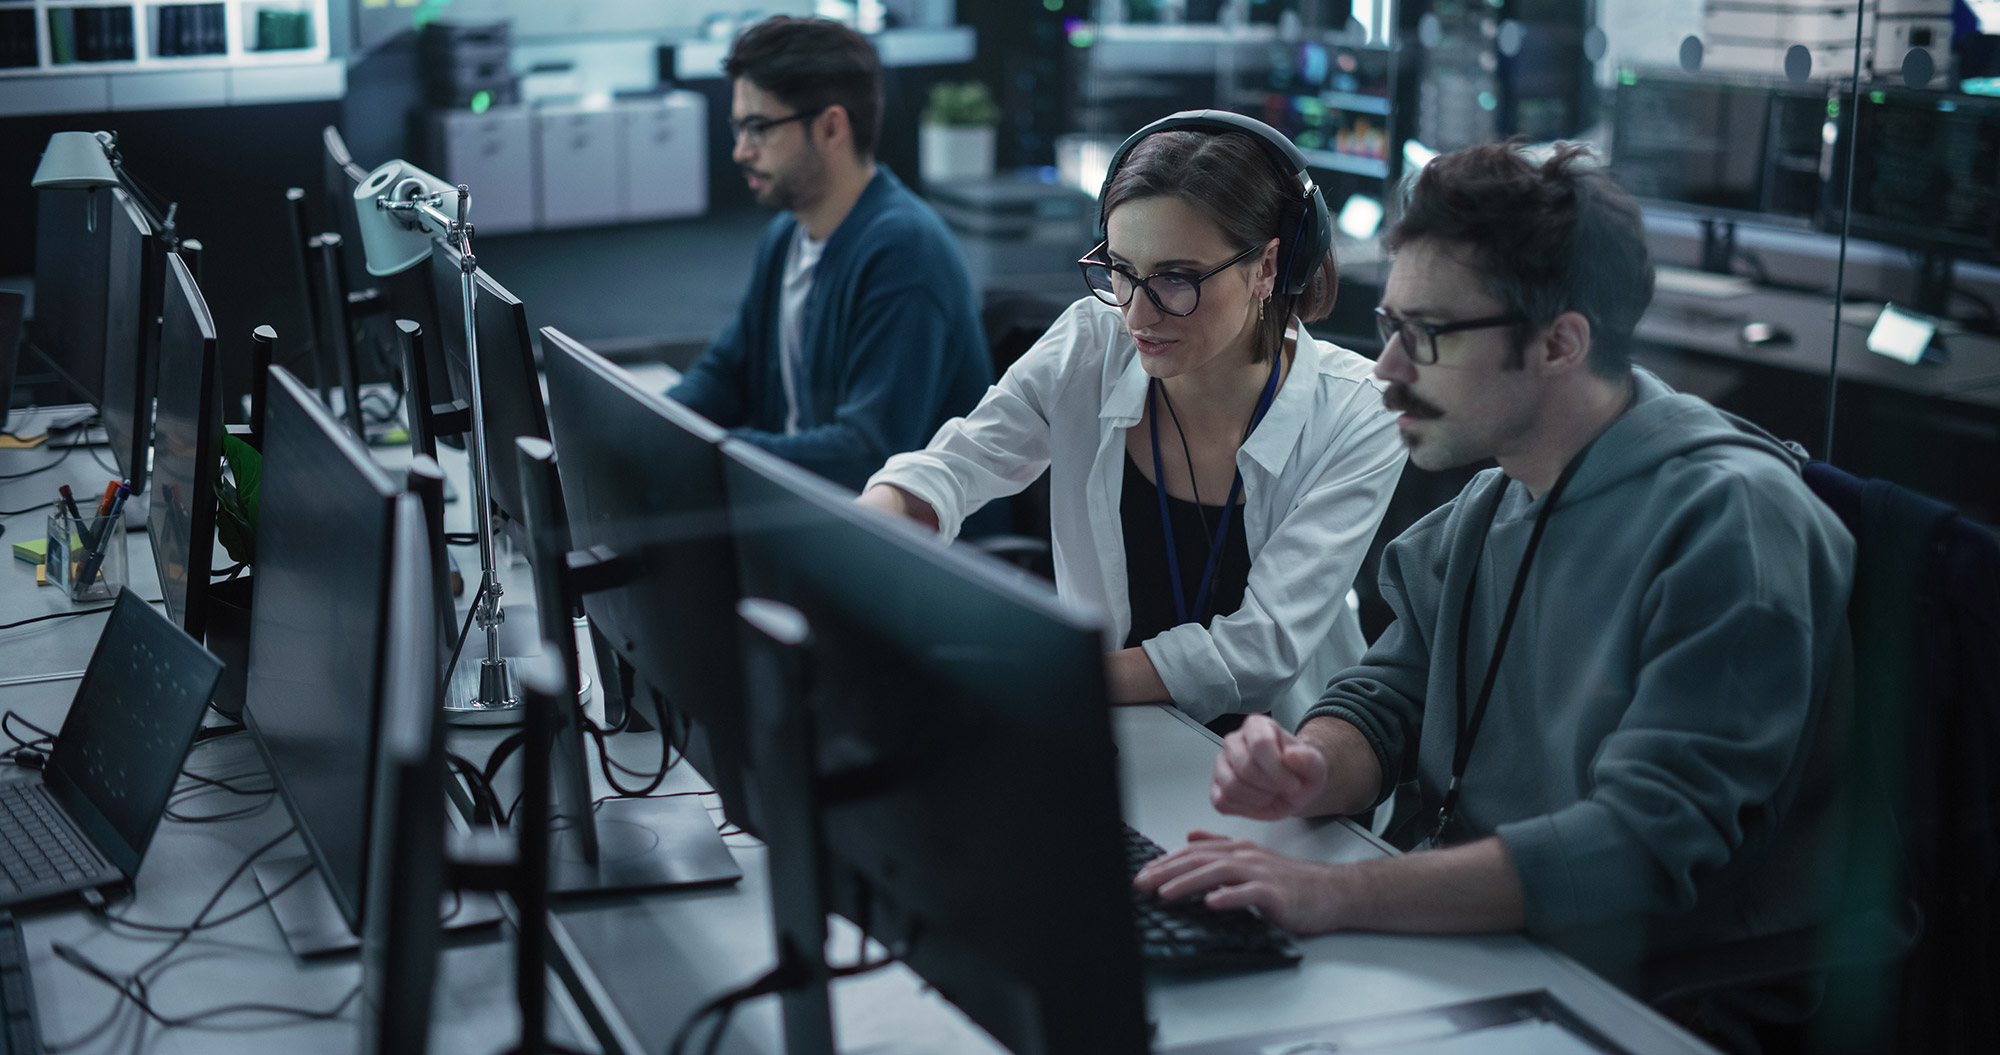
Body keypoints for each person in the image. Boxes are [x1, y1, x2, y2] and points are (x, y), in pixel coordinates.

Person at [1131, 140, 1855, 1047]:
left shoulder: (1732, 525)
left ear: (1560, 342)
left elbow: (1634, 847)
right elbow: (1389, 694)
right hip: (1469, 945)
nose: (1387, 367)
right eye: (1389, 326)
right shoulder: (1502, 491)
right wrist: (1317, 762)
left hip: (1639, 1000)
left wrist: (1333, 892)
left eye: (1425, 335)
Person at [859, 112, 1405, 727]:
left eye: (1176, 278)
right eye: (1120, 269)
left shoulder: (1359, 411)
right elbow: (955, 468)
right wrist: (857, 538)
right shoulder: (1089, 344)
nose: (1137, 315)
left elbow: (1259, 654)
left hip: (1281, 768)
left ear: (1268, 268)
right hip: (1118, 736)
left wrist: (1040, 670)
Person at [667, 16, 990, 491]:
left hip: (896, 547)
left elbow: (866, 455)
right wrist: (657, 425)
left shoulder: (903, 253)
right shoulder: (786, 238)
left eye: (757, 128)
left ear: (831, 128)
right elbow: (726, 372)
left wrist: (709, 452)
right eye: (739, 129)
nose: (741, 151)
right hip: (803, 516)